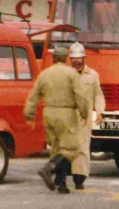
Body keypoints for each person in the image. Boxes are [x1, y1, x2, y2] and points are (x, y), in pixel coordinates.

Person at [24, 44, 89, 193]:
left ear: (53, 58)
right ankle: (48, 168)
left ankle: (62, 184)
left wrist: (29, 116)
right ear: (65, 58)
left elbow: (33, 97)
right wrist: (84, 113)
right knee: (71, 148)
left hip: (48, 113)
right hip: (65, 114)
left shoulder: (44, 74)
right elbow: (80, 95)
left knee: (57, 149)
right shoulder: (71, 74)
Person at [67, 41, 105, 191]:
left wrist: (100, 112)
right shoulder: (66, 75)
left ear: (84, 58)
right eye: (73, 59)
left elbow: (98, 95)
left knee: (83, 148)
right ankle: (61, 176)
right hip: (68, 117)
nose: (76, 61)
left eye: (78, 58)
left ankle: (79, 178)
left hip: (85, 119)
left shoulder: (93, 75)